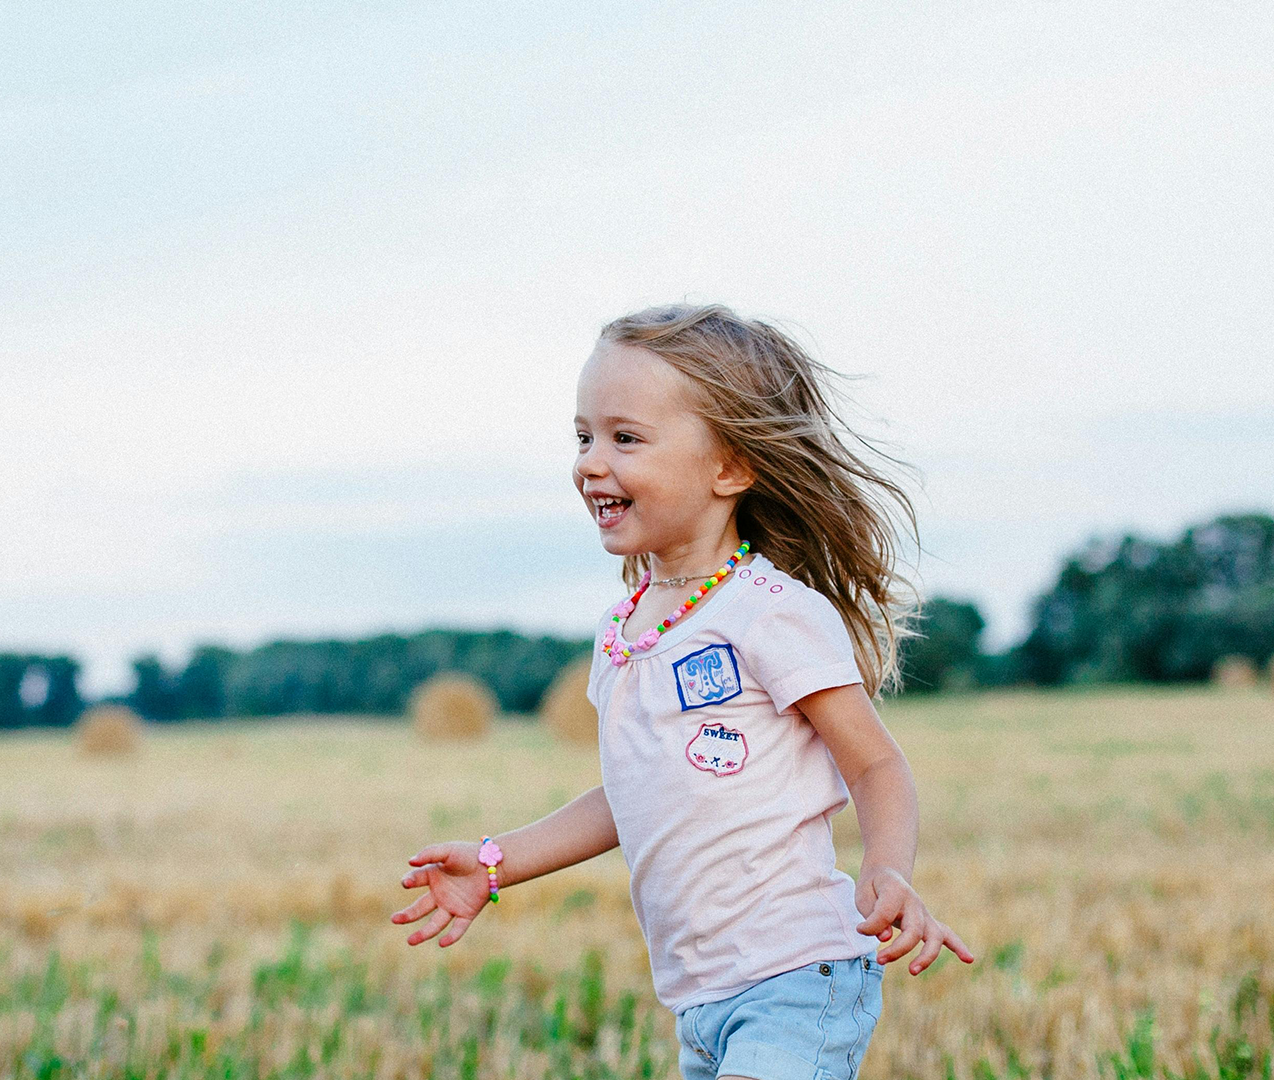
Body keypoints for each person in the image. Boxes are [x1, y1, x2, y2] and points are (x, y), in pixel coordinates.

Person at [390, 303, 974, 1080]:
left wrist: (888, 867)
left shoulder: (772, 613)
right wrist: (498, 862)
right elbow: (631, 791)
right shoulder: (625, 627)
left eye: (625, 438)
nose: (592, 462)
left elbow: (875, 766)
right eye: (583, 436)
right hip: (699, 1002)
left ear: (729, 467)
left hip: (797, 978)